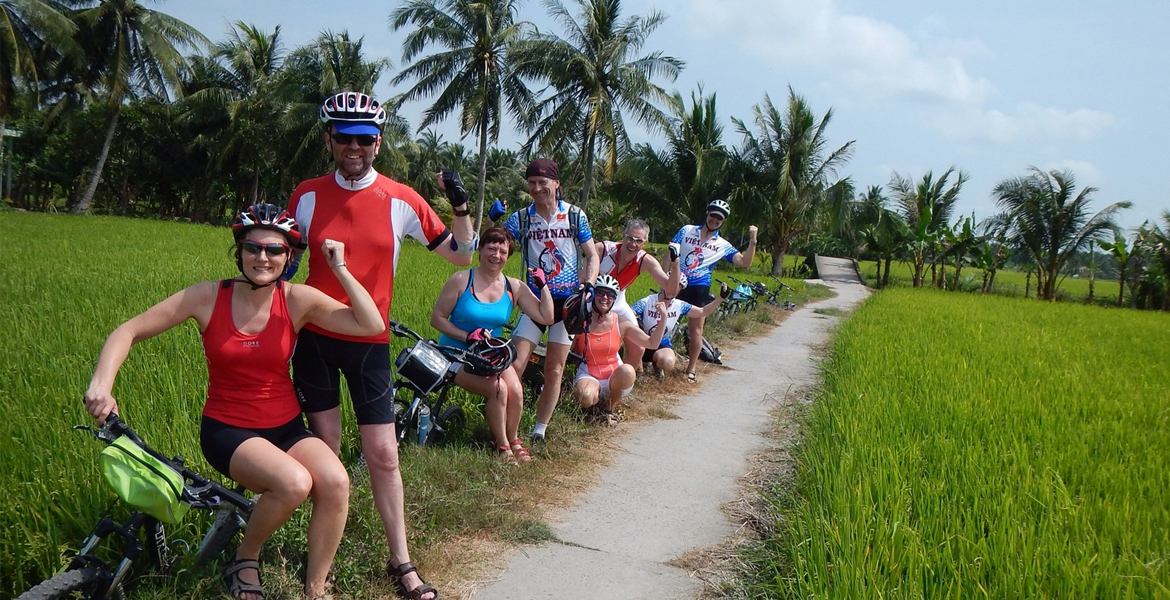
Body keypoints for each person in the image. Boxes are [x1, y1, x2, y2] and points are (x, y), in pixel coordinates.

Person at [83, 204, 383, 600]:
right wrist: (102, 385)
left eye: (275, 250)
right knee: (293, 483)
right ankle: (245, 557)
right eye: (253, 248)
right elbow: (128, 331)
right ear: (239, 252)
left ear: (288, 257)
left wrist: (340, 268)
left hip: (286, 426)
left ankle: (315, 589)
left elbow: (371, 324)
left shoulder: (297, 299)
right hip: (229, 430)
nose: (263, 257)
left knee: (336, 481)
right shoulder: (207, 296)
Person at [285, 91, 477, 600]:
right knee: (324, 453)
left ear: (378, 142)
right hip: (315, 342)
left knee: (384, 455)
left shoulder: (402, 198)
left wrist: (459, 204)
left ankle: (402, 561)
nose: (355, 147)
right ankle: (321, 559)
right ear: (329, 140)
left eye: (365, 139)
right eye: (344, 138)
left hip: (370, 341)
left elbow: (460, 256)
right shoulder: (305, 195)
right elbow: (280, 266)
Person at [429, 227, 554, 465]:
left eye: (503, 250)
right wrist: (467, 336)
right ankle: (502, 445)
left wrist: (543, 286)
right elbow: (437, 319)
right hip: (456, 354)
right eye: (491, 248)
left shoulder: (513, 287)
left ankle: (515, 439)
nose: (496, 255)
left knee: (516, 390)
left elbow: (546, 317)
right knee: (499, 389)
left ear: (508, 256)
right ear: (481, 250)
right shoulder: (461, 280)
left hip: (490, 354)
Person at [502, 158, 599, 442]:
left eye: (542, 183)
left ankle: (539, 430)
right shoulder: (521, 218)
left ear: (556, 184)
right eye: (531, 183)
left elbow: (591, 255)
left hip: (567, 303)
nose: (536, 188)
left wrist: (589, 285)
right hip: (534, 299)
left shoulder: (574, 216)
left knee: (554, 368)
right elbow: (494, 247)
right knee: (515, 365)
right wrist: (494, 220)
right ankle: (508, 427)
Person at [671, 199, 758, 383]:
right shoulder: (686, 230)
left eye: (720, 218)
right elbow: (670, 251)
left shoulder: (722, 244)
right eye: (713, 215)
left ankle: (691, 369)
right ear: (707, 214)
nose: (715, 220)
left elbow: (745, 263)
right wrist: (665, 276)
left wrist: (752, 240)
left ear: (723, 221)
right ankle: (652, 360)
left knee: (696, 330)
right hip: (677, 282)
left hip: (699, 286)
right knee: (663, 320)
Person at [571, 275, 667, 426]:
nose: (605, 297)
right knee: (585, 397)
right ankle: (595, 403)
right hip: (588, 374)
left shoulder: (620, 322)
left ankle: (609, 409)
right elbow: (566, 351)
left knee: (628, 370)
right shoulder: (581, 321)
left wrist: (664, 317)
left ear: (614, 299)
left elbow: (652, 343)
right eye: (601, 292)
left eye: (610, 295)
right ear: (594, 294)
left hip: (614, 376)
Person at [628, 275, 729, 378]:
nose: (672, 289)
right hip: (643, 342)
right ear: (663, 285)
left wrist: (721, 298)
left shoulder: (679, 305)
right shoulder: (648, 300)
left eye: (677, 287)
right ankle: (639, 370)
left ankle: (657, 365)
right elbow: (629, 313)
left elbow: (702, 312)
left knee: (668, 362)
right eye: (670, 285)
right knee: (634, 327)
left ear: (680, 290)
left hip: (661, 344)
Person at [593, 218, 681, 326]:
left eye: (639, 241)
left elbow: (671, 290)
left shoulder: (646, 261)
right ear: (623, 236)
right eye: (630, 238)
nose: (633, 244)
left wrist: (676, 264)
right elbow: (582, 278)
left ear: (645, 243)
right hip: (594, 294)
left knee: (634, 331)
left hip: (617, 299)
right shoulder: (602, 249)